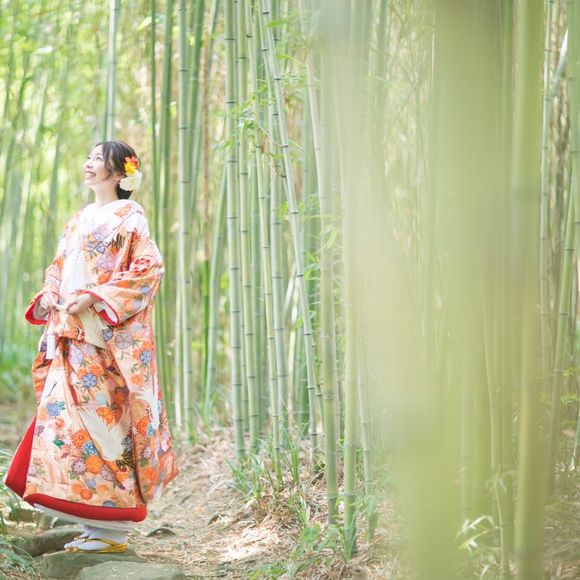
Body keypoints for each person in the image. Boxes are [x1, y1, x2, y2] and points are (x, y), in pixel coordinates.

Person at [4, 140, 178, 554]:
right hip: (69, 332)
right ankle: (93, 522)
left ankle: (113, 528)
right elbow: (59, 267)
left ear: (119, 174)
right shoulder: (79, 219)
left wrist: (95, 297)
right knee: (65, 424)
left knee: (104, 427)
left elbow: (148, 270)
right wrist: (50, 293)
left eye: (98, 159)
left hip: (101, 337)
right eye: (89, 157)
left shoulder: (131, 218)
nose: (88, 164)